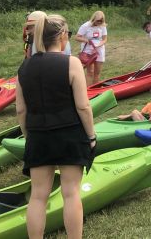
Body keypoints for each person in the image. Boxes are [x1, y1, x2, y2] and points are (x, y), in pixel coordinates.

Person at [15, 14, 95, 239]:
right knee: (71, 193)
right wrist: (91, 135)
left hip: (38, 135)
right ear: (61, 36)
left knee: (38, 196)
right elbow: (83, 106)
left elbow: (21, 110)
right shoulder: (72, 63)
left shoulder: (23, 68)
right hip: (70, 132)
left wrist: (28, 135)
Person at [75, 11, 108, 86]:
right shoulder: (86, 26)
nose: (99, 22)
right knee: (90, 71)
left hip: (99, 50)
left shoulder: (103, 26)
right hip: (88, 51)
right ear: (94, 19)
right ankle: (88, 90)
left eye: (101, 21)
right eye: (98, 21)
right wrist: (87, 40)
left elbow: (105, 39)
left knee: (97, 72)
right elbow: (77, 37)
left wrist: (99, 45)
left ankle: (96, 89)